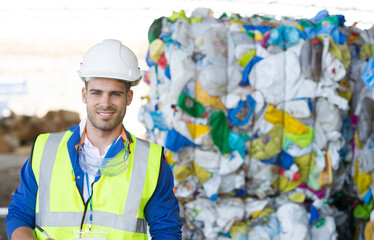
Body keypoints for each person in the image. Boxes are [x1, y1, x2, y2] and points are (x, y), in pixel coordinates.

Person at [5, 39, 183, 239]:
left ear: (129, 98)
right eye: (97, 93)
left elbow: (166, 231)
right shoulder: (46, 149)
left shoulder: (150, 161)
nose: (105, 103)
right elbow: (19, 215)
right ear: (84, 95)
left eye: (115, 94)